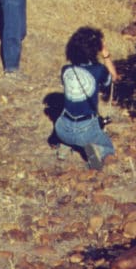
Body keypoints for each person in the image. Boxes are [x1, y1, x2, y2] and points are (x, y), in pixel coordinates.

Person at [54, 27, 118, 171]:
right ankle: (97, 152)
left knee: (70, 121)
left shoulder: (66, 70)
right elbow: (114, 77)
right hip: (85, 130)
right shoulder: (98, 70)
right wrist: (106, 55)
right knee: (108, 147)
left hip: (61, 128)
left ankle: (65, 145)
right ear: (96, 49)